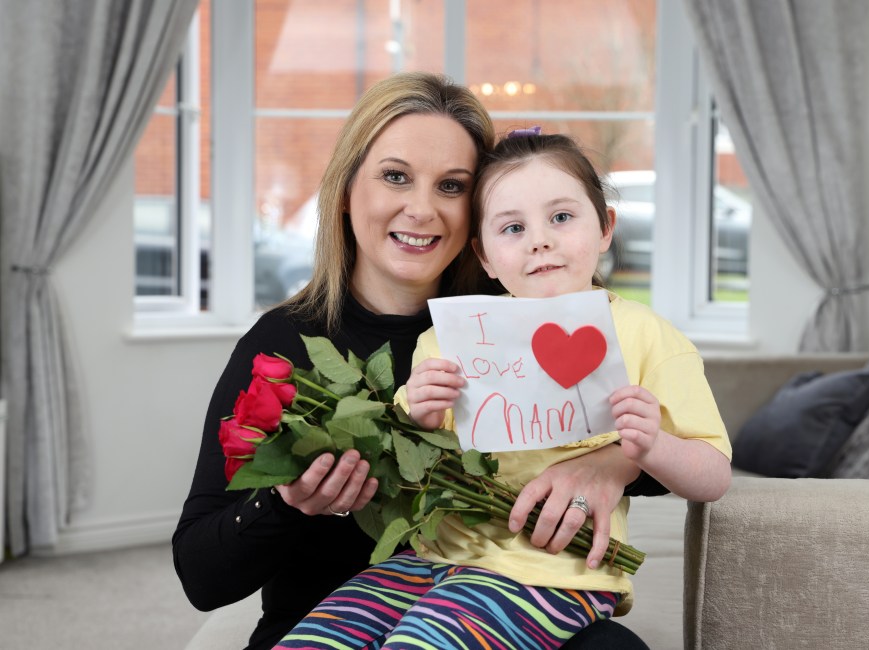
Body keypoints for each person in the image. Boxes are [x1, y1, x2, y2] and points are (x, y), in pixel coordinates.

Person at [173, 74, 655, 650]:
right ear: (347, 189)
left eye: (452, 186)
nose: (422, 209)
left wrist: (613, 462)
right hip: (329, 625)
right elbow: (202, 576)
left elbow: (678, 431)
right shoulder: (285, 341)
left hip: (503, 617)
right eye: (396, 176)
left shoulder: (527, 311)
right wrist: (287, 504)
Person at [275, 130, 732, 649]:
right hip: (430, 558)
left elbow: (713, 474)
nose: (540, 239)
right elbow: (406, 462)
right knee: (312, 640)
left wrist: (650, 447)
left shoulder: (649, 337)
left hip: (553, 573)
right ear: (485, 257)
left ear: (605, 227)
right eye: (512, 228)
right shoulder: (452, 339)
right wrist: (418, 412)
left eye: (561, 217)